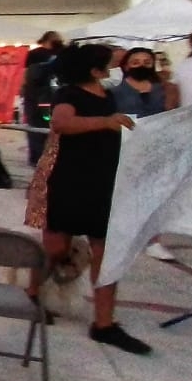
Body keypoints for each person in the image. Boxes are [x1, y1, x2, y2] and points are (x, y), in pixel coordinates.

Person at [42, 43, 151, 355]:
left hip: (104, 180)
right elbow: (60, 123)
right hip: (70, 180)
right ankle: (34, 294)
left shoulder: (110, 95)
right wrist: (104, 123)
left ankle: (104, 322)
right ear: (93, 69)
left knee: (105, 253)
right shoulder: (69, 95)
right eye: (107, 62)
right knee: (56, 247)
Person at [111, 47, 182, 261]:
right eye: (135, 61)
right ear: (126, 65)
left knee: (156, 193)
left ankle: (153, 240)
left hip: (158, 147)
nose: (141, 65)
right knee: (123, 194)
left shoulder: (165, 89)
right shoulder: (113, 92)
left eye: (146, 61)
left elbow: (174, 112)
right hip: (126, 148)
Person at [21, 31, 63, 166]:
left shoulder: (36, 54)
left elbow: (25, 74)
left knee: (36, 126)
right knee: (41, 126)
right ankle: (40, 156)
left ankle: (37, 156)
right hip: (43, 96)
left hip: (36, 96)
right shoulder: (46, 55)